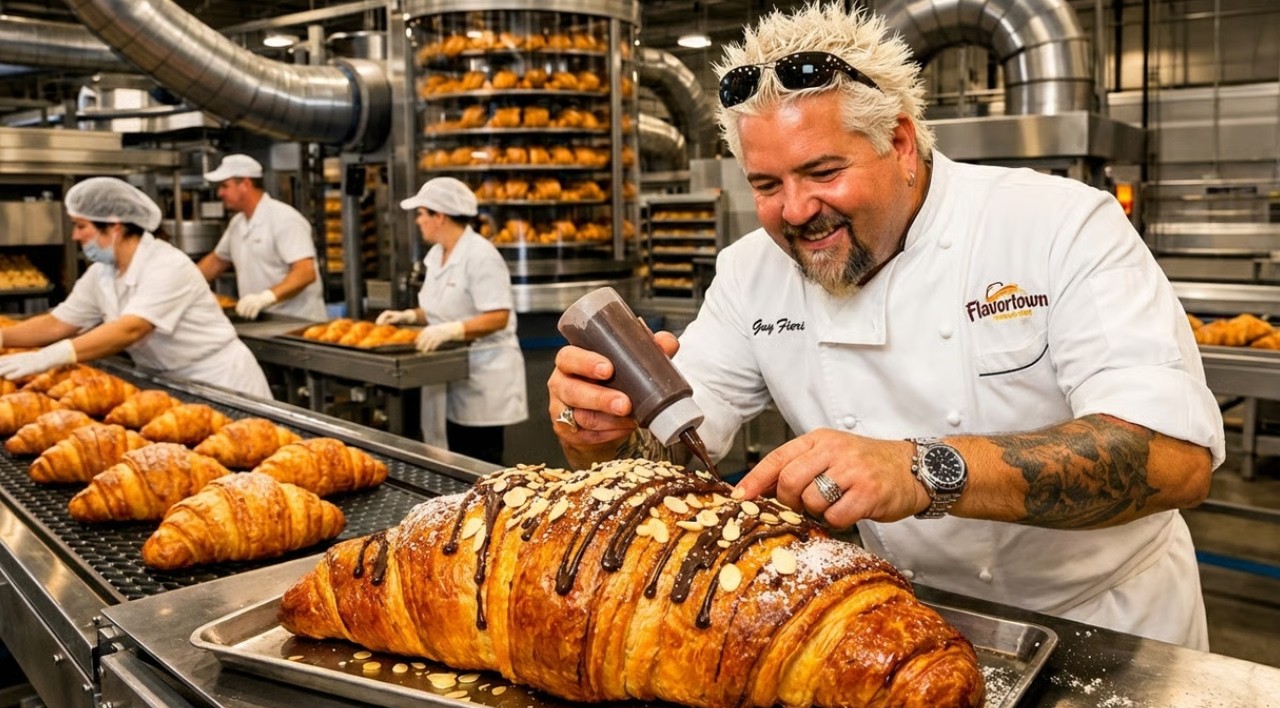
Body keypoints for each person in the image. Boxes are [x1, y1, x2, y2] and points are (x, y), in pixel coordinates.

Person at [546, 4, 1224, 650]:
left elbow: (1175, 459)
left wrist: (919, 468)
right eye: (767, 185)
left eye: (823, 171)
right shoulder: (751, 272)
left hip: (1109, 621)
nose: (795, 210)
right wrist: (600, 432)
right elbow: (666, 453)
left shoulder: (1057, 225)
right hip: (902, 616)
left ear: (899, 142)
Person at [0, 177, 271, 398]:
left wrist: (49, 356)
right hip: (166, 384)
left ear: (115, 227)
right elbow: (57, 324)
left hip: (220, 381)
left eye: (81, 226)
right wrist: (3, 337)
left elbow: (132, 328)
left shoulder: (167, 265)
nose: (75, 236)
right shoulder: (101, 273)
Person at [377, 177, 527, 464]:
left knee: (480, 459)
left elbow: (498, 316)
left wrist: (452, 330)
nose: (418, 221)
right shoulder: (436, 255)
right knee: (450, 454)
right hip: (447, 370)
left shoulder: (481, 256)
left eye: (422, 214)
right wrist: (410, 315)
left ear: (440, 216)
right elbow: (441, 307)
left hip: (482, 375)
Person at [197, 154, 327, 321]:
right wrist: (181, 283)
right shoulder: (237, 223)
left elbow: (305, 272)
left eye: (225, 186)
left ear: (245, 184)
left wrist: (266, 297)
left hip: (296, 321)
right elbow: (216, 262)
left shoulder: (284, 219)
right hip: (261, 320)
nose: (220, 193)